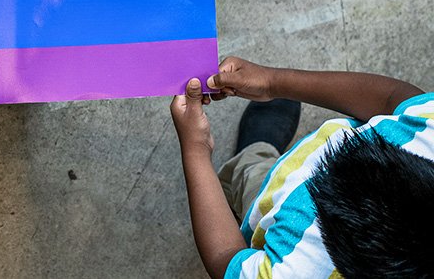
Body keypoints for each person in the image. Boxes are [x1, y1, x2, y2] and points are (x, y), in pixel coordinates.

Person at [170, 55, 434, 278]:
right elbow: (395, 100)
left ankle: (249, 158)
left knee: (251, 177)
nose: (320, 171)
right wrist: (272, 82)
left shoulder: (294, 269)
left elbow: (226, 259)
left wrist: (196, 149)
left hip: (267, 207)